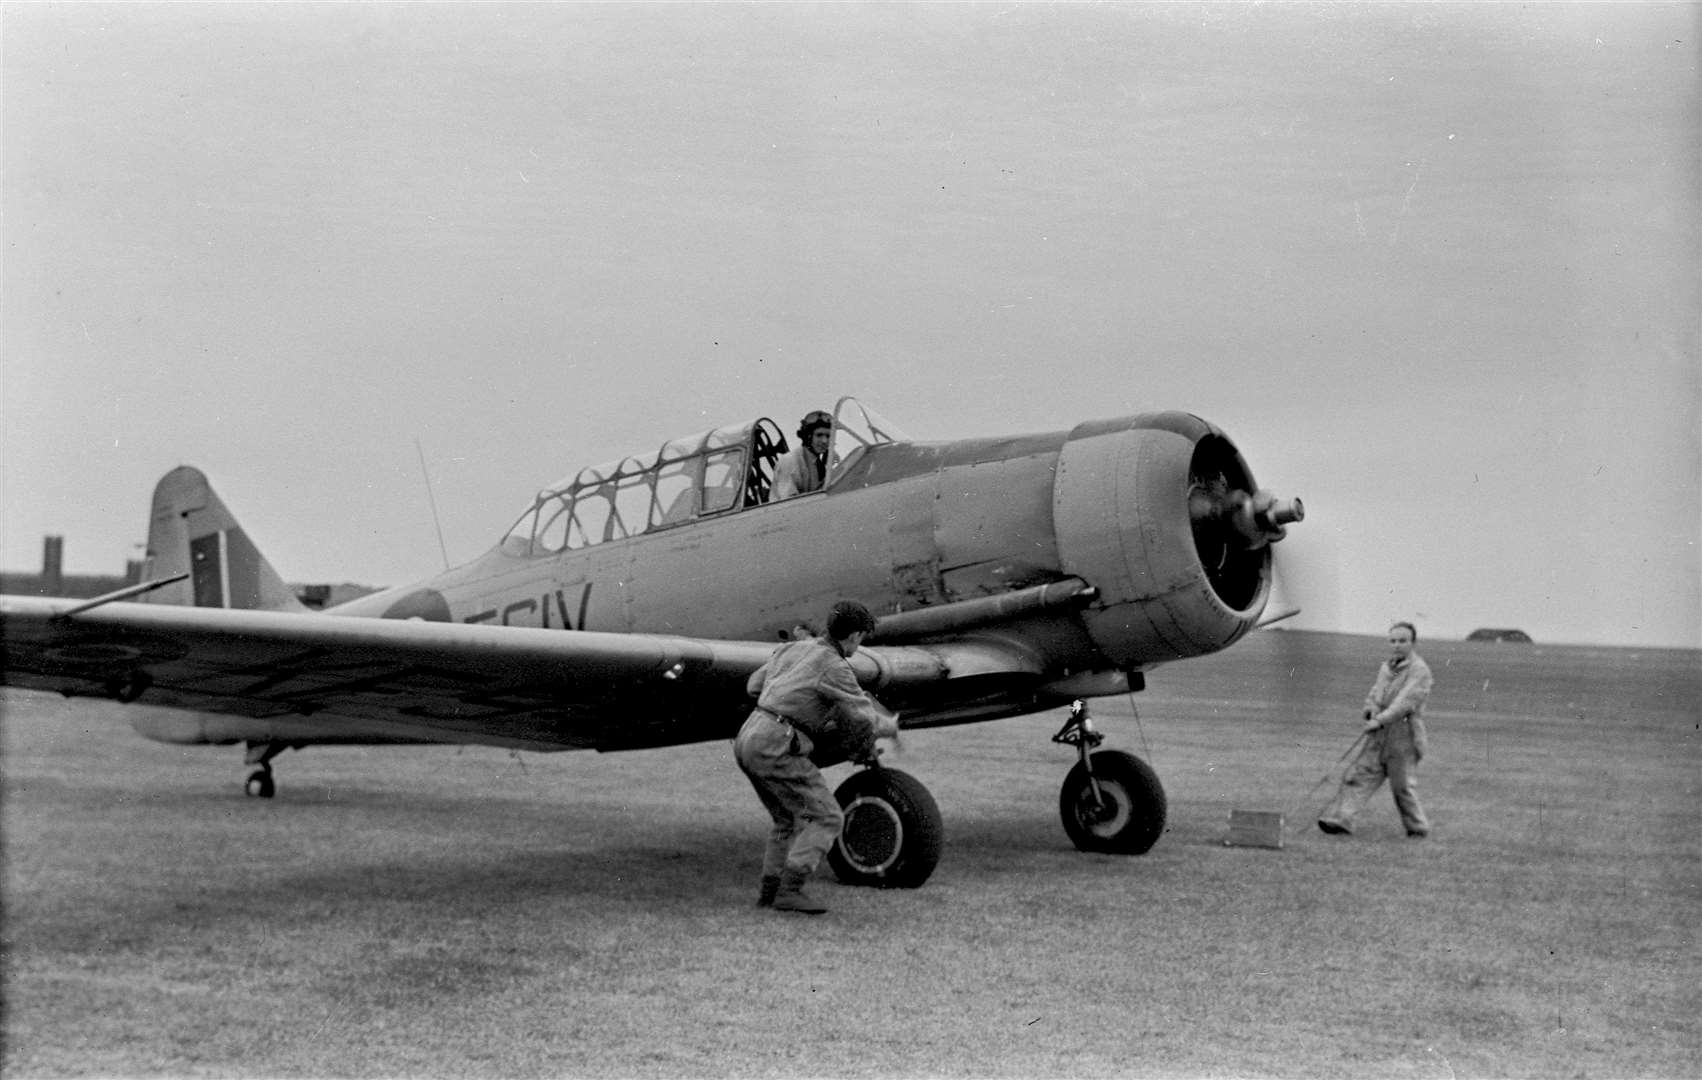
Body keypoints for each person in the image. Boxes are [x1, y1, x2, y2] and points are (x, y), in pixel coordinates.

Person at [735, 600, 891, 914]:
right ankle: (789, 891)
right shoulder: (835, 666)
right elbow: (863, 718)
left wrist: (788, 701)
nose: (859, 646)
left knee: (785, 818)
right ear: (854, 636)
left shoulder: (794, 648)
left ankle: (769, 892)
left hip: (749, 734)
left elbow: (753, 686)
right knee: (829, 817)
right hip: (777, 742)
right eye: (861, 639)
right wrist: (893, 726)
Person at [1318, 621, 1434, 838]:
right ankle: (1341, 819)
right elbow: (1376, 693)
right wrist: (1369, 710)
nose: (1397, 645)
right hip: (1379, 733)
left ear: (1413, 643)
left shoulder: (1420, 671)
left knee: (1402, 787)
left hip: (1405, 735)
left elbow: (1405, 702)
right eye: (1393, 641)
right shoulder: (1386, 667)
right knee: (1360, 775)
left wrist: (1379, 720)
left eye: (1403, 641)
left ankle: (1418, 827)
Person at [771, 410, 834, 499]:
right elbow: (788, 501)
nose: (825, 441)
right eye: (819, 435)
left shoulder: (818, 463)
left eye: (828, 436)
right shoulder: (790, 461)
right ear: (808, 436)